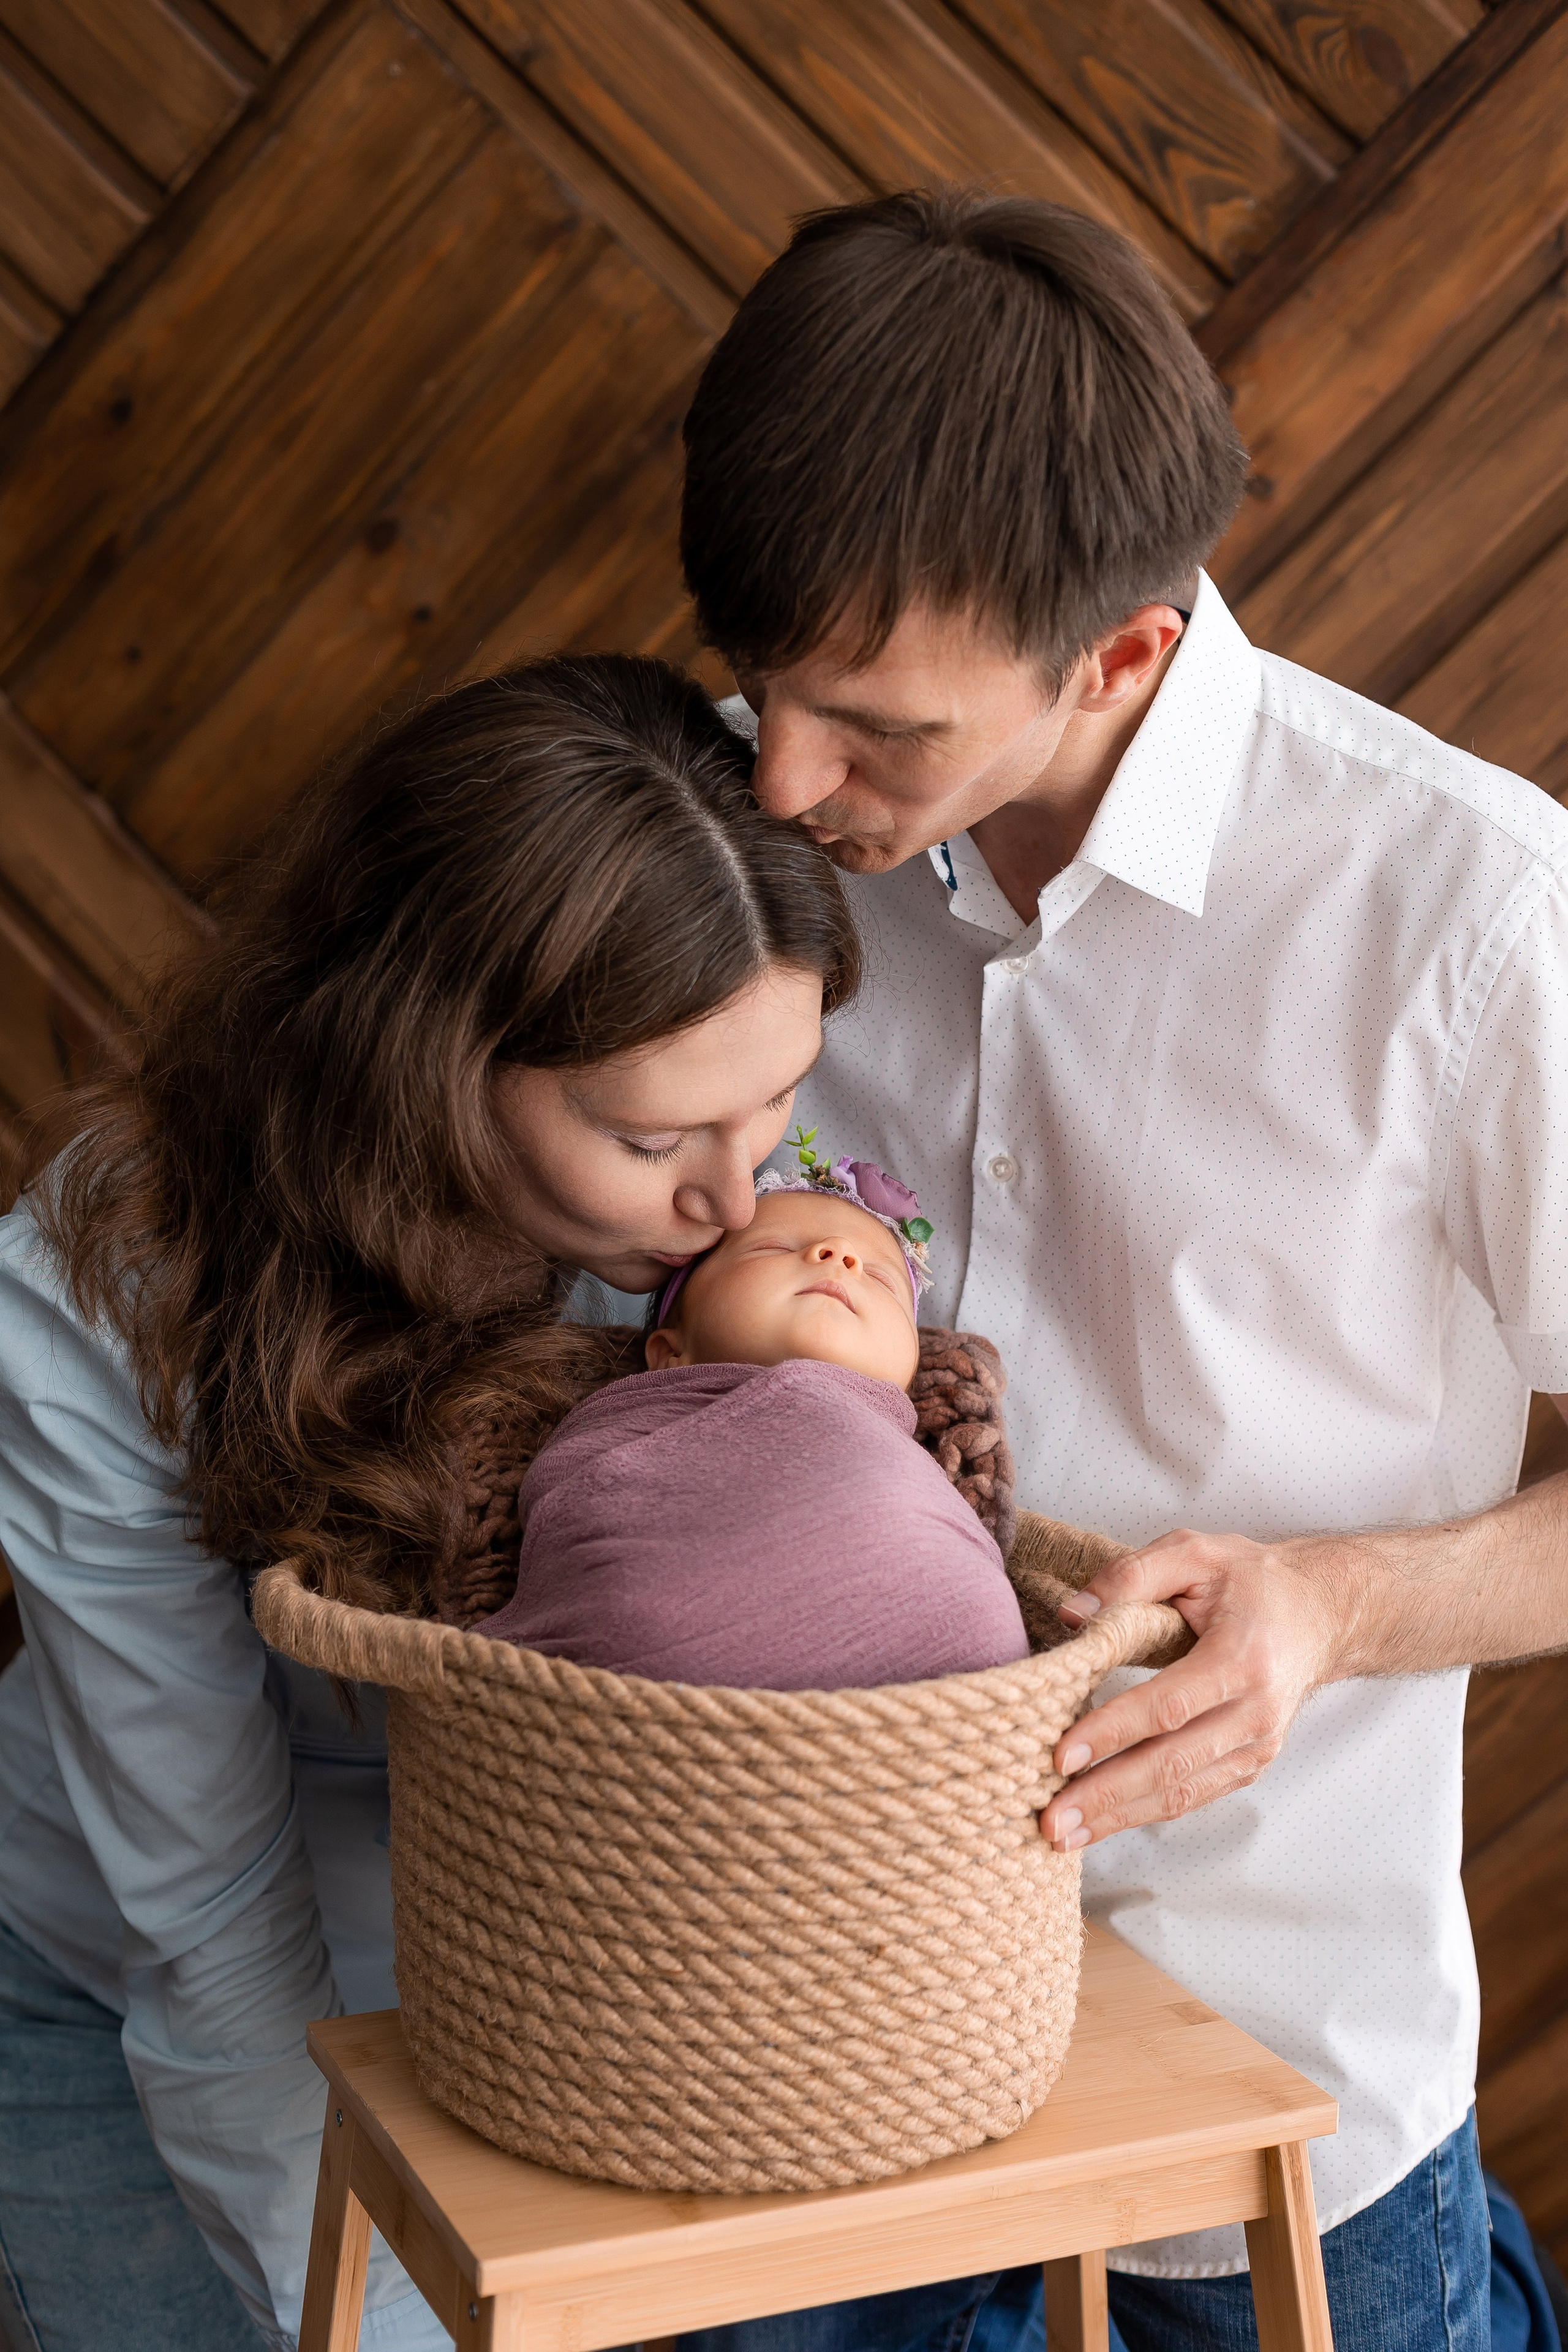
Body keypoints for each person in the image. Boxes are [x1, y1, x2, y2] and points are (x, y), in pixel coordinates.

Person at [678, 187, 1568, 2350]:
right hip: (793, 2074)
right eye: (760, 687)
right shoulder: (735, 824)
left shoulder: (1476, 918)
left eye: (877, 730)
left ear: (1122, 656)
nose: (784, 785)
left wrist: (1340, 1607)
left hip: (1275, 2142)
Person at [0, 654, 869, 2352]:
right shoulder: (92, 1297)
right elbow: (213, 1922)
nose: (734, 1196)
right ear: (430, 1058)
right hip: (124, 1980)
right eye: (653, 1136)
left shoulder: (709, 1217)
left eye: (775, 1103)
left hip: (526, 1976)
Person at [480, 1155, 1031, 1687]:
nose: (840, 1256)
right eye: (774, 1247)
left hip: (948, 1685)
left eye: (883, 1280)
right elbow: (576, 1498)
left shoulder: (913, 1463)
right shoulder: (636, 1419)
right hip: (649, 1656)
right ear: (671, 1351)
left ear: (907, 1379)